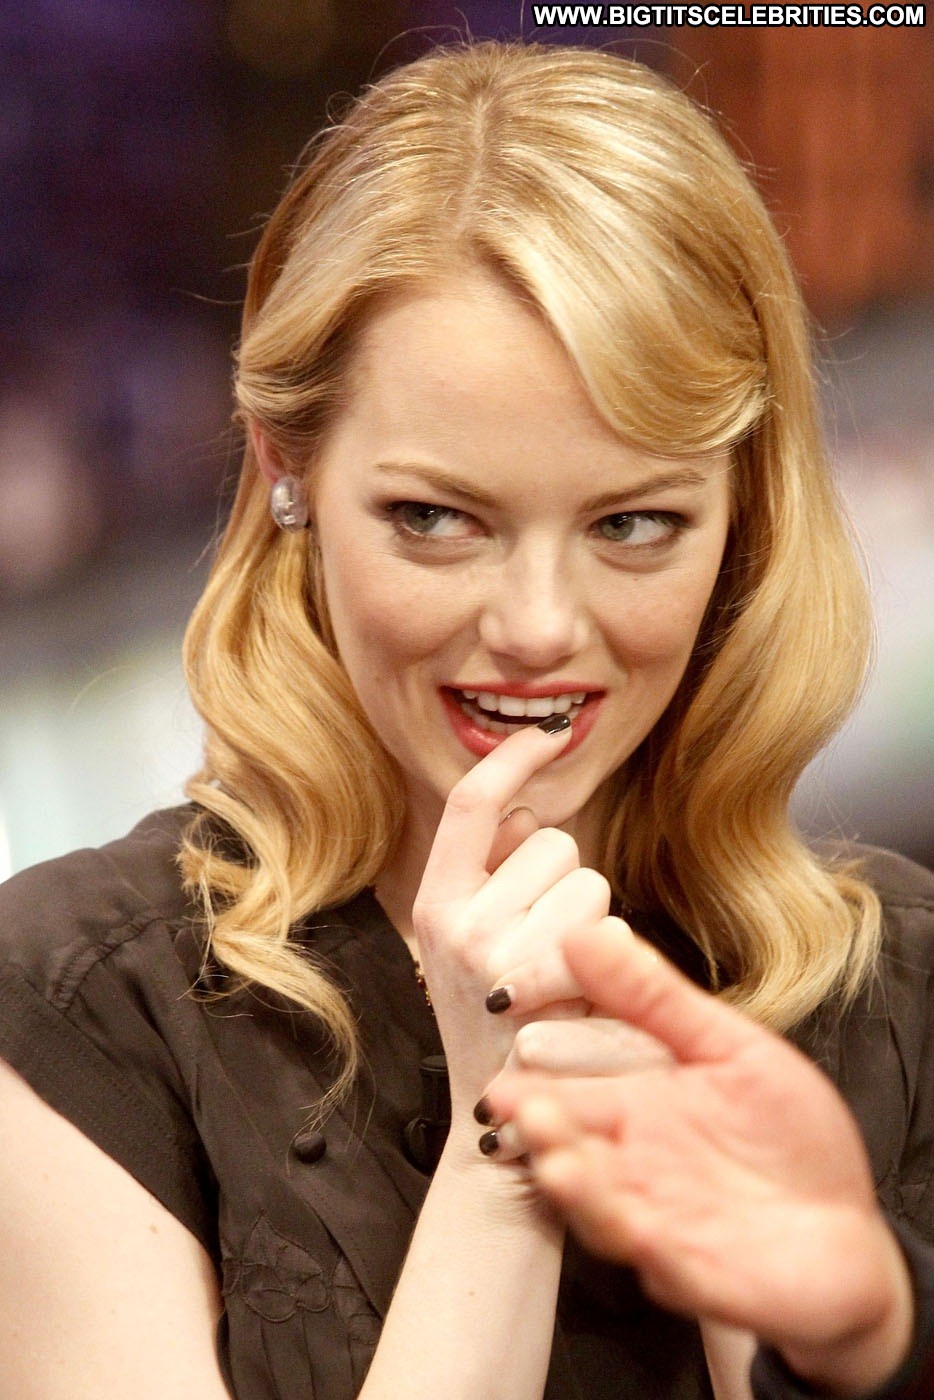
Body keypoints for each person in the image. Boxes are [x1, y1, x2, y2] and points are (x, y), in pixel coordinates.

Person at [0, 39, 930, 1400]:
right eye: (437, 519)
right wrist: (506, 1154)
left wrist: (852, 1341)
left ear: (744, 517)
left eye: (633, 524)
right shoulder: (75, 1004)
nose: (539, 626)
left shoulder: (901, 985)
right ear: (285, 470)